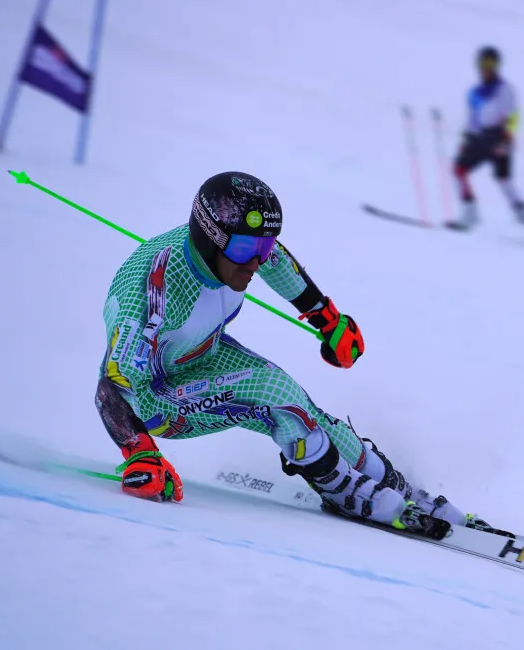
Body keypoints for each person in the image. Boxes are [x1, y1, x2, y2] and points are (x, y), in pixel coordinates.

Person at [95, 171, 485, 539]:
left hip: (200, 358)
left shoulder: (236, 252)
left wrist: (329, 321)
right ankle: (343, 491)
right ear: (208, 237)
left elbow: (278, 261)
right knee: (273, 392)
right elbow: (111, 387)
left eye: (263, 245)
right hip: (150, 401)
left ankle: (398, 488)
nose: (256, 261)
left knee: (303, 409)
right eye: (247, 248)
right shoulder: (154, 289)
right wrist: (140, 453)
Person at [452, 45, 524, 229]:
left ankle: (523, 220)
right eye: (483, 63)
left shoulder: (505, 90)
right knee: (460, 170)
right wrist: (466, 140)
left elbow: (514, 115)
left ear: (497, 65)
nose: (487, 67)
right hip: (484, 137)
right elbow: (473, 120)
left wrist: (507, 137)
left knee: (502, 179)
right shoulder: (474, 93)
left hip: (499, 136)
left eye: (491, 63)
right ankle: (471, 215)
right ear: (478, 65)